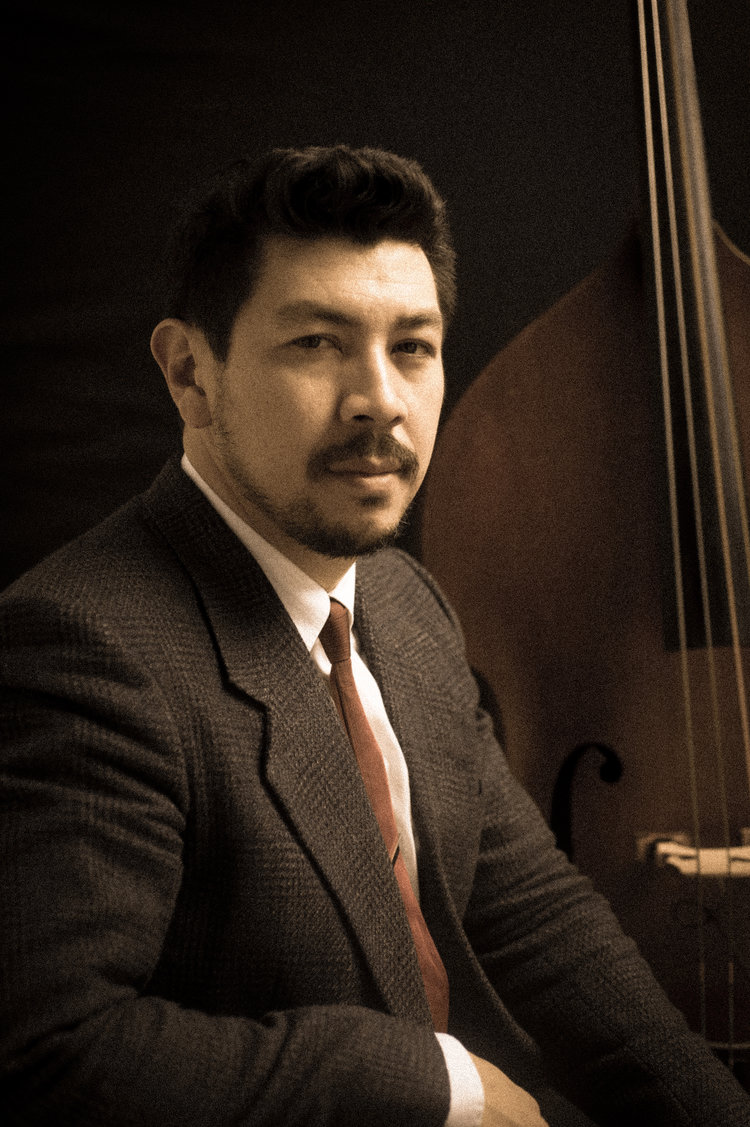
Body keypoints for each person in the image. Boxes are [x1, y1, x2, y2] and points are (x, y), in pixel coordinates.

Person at [0, 144, 747, 1127]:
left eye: (413, 345)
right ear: (190, 374)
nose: (380, 400)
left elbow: (531, 912)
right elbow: (53, 1052)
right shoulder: (84, 649)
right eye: (317, 343)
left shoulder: (400, 598)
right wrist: (437, 1083)